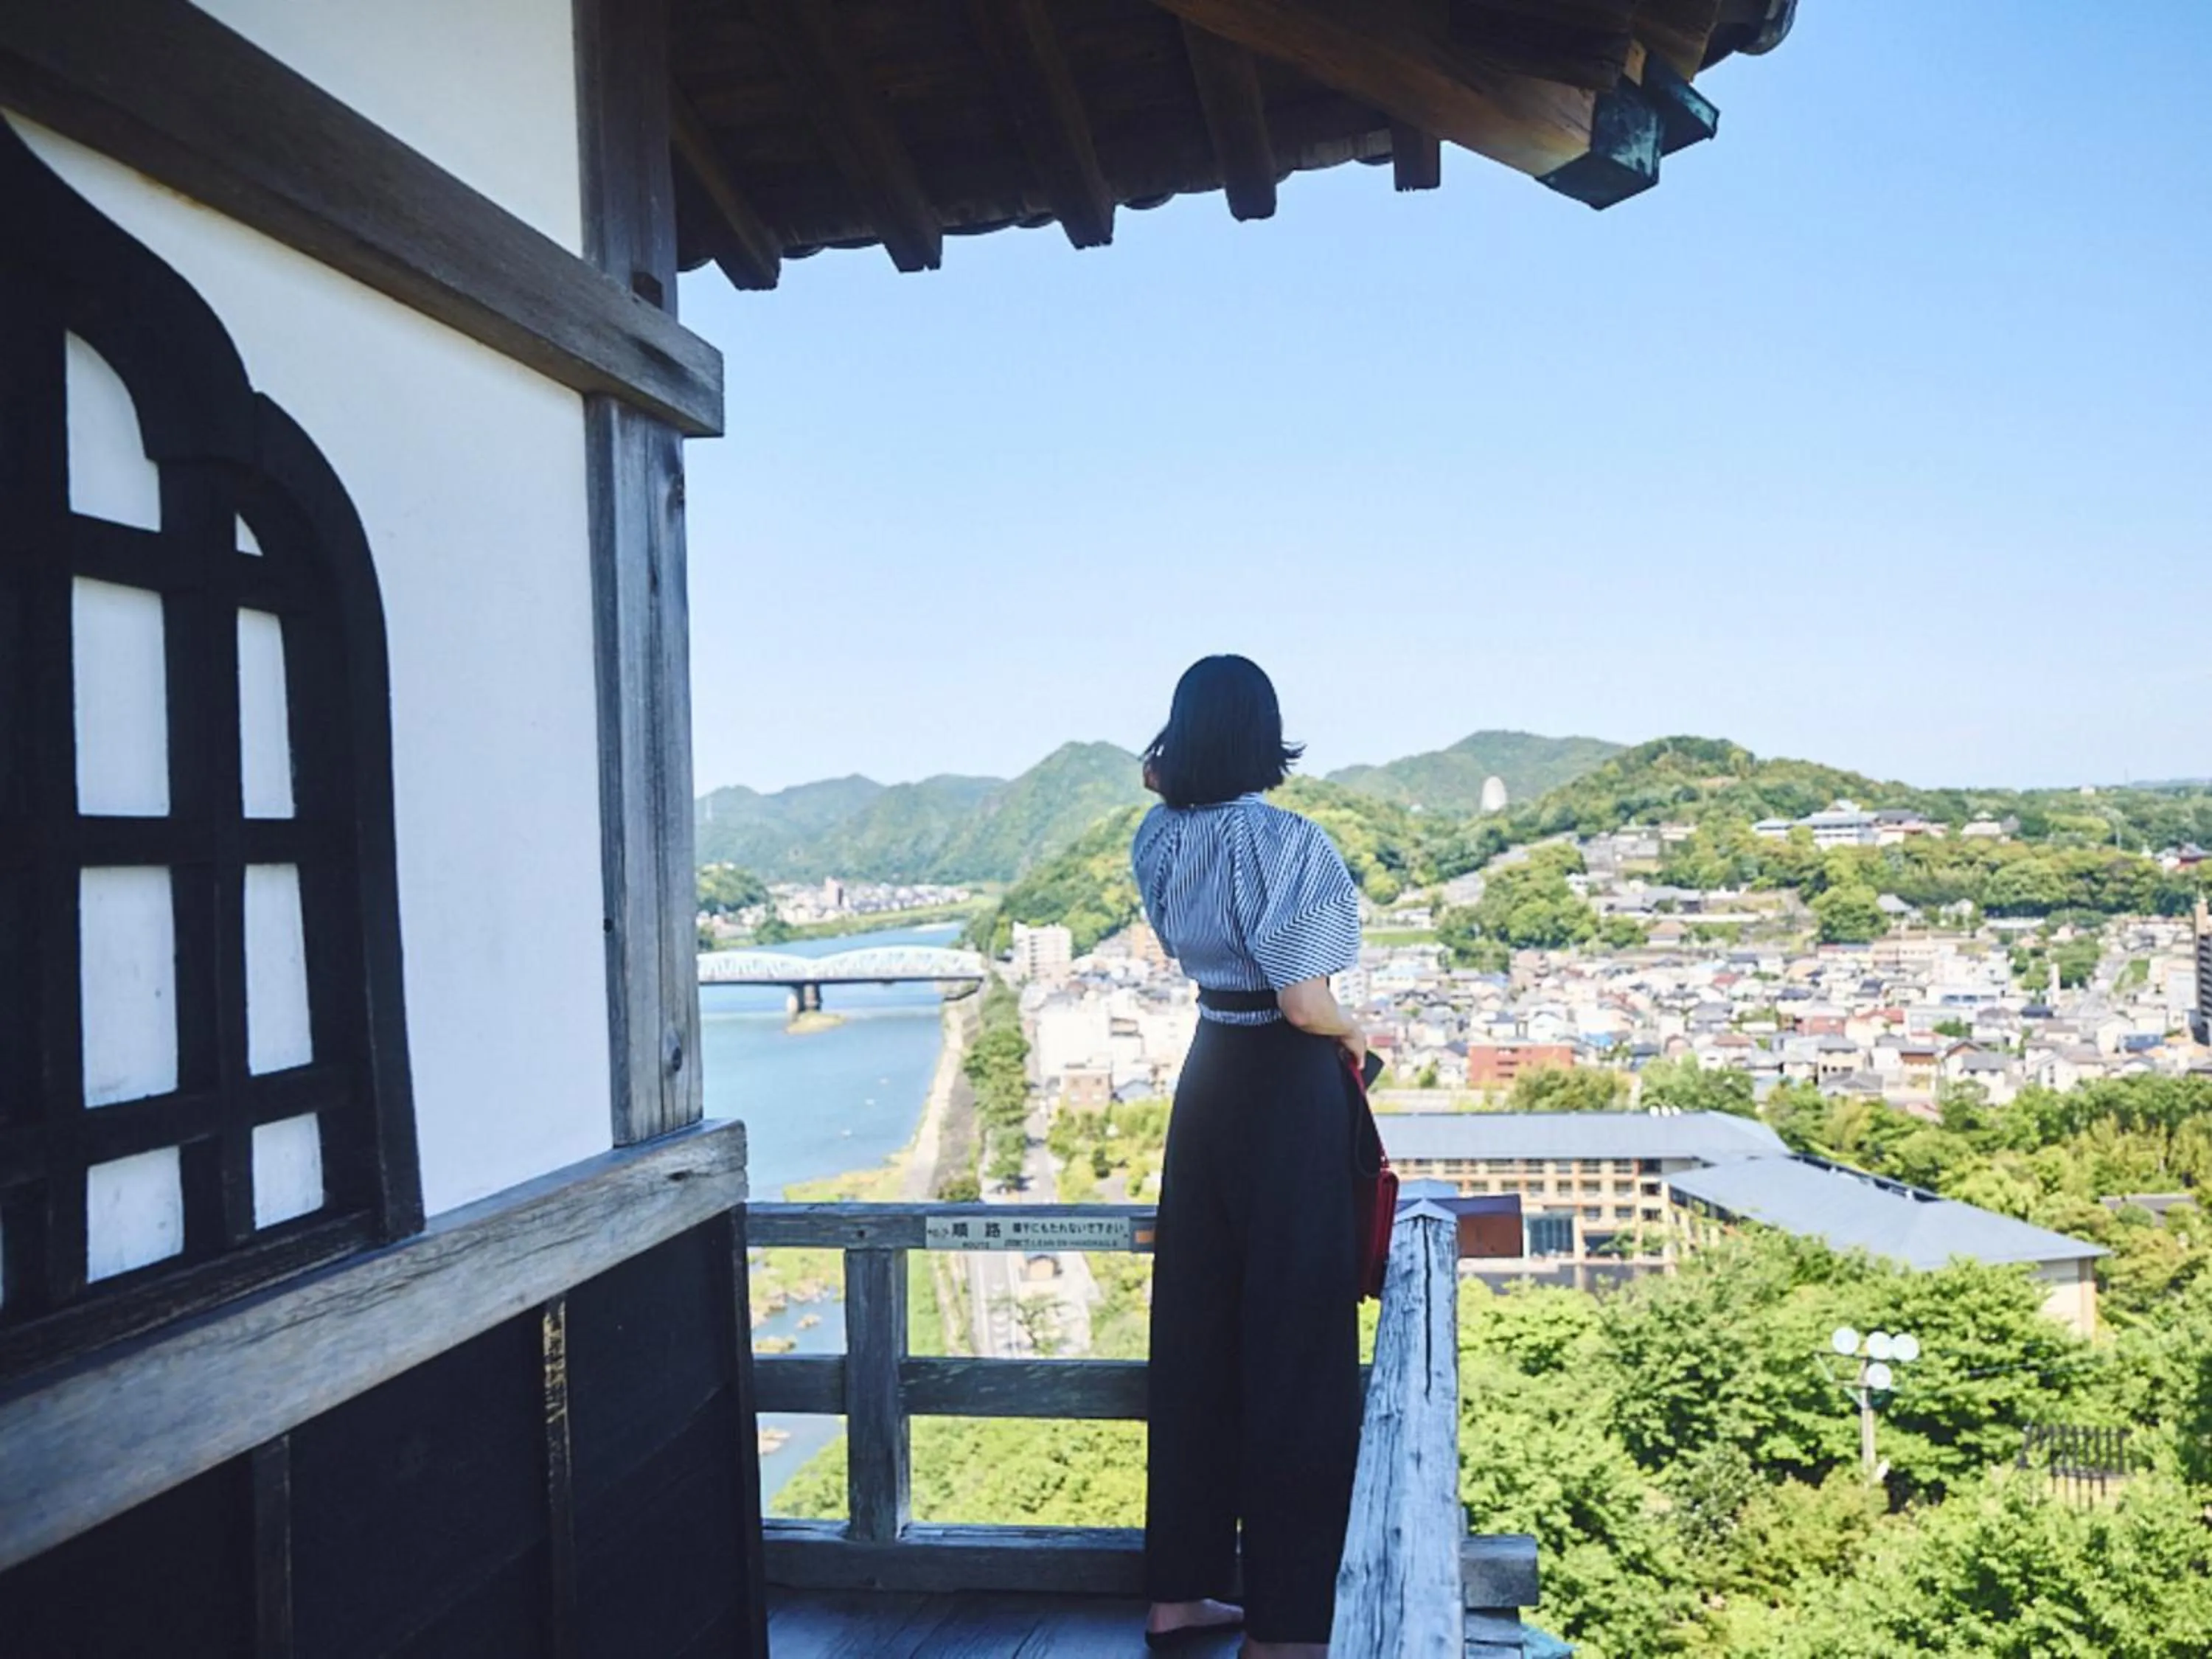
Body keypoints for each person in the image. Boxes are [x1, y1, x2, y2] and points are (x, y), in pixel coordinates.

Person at [1131, 655, 1366, 1658]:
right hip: (1283, 1085)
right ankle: (1289, 1624)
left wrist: (1170, 763)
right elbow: (1305, 1003)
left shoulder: (1156, 837)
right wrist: (1355, 1031)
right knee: (1298, 1350)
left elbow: (1158, 783)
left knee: (1195, 1330)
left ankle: (1178, 1591)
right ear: (1268, 734)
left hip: (1209, 1075)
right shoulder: (1289, 841)